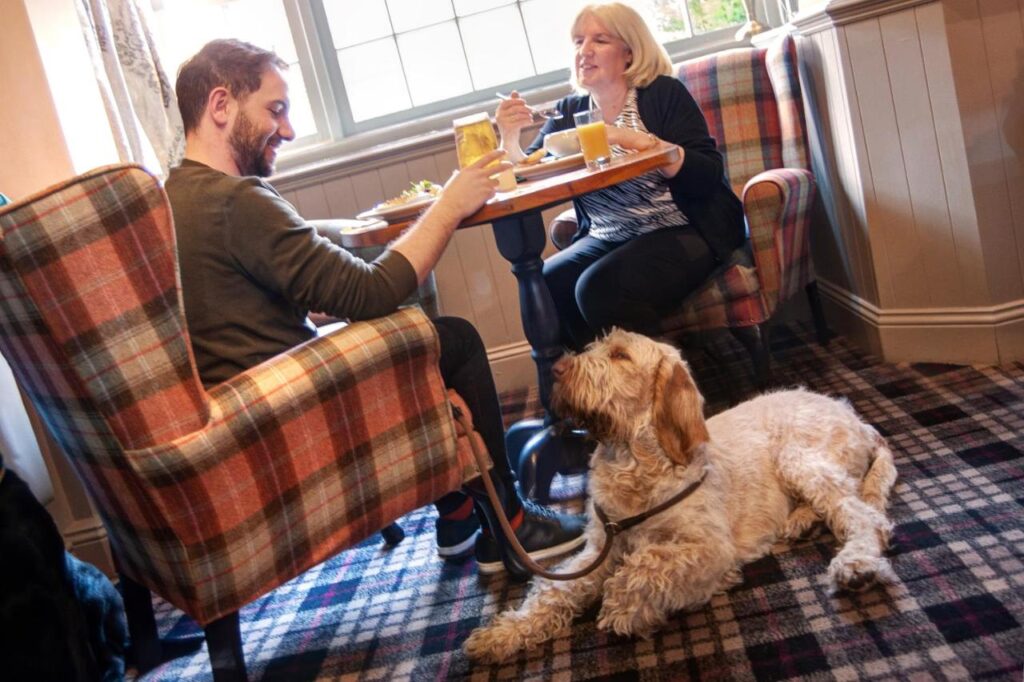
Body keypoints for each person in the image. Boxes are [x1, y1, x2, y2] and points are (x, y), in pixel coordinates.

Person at [164, 39, 584, 580]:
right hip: (288, 416)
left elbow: (235, 304)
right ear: (220, 106)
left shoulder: (172, 197)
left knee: (394, 330)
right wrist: (450, 204)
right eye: (276, 109)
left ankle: (457, 516)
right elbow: (371, 291)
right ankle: (511, 521)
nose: (288, 131)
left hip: (238, 406)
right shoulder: (236, 201)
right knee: (450, 339)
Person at [495, 2, 745, 352]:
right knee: (548, 283)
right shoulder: (571, 111)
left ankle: (656, 389)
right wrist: (509, 138)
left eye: (599, 40)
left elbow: (706, 174)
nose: (584, 51)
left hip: (683, 228)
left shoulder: (662, 94)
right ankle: (599, 389)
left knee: (598, 288)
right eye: (579, 41)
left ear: (629, 52)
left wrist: (629, 138)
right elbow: (526, 174)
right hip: (609, 234)